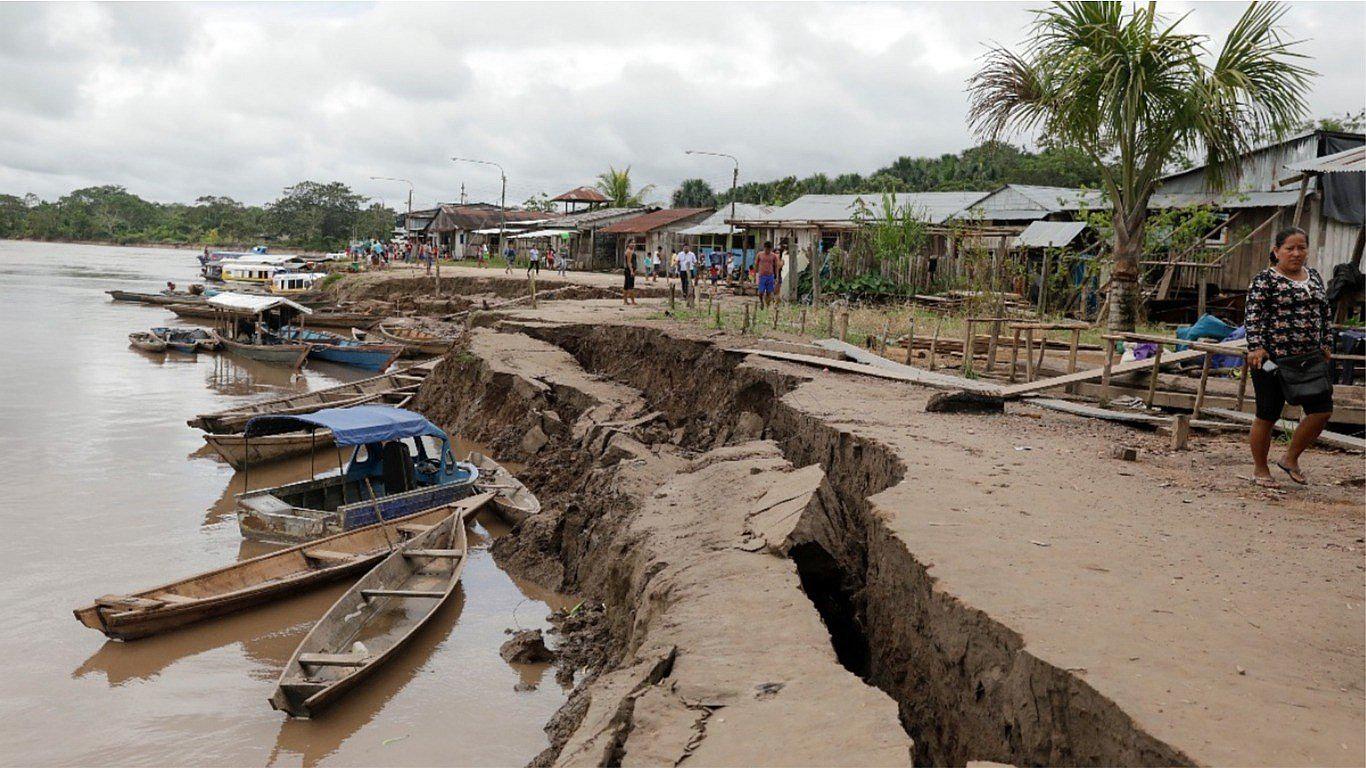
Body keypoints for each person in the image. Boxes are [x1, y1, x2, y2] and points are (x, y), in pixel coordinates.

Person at [1245, 226, 1334, 488]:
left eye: (1301, 248)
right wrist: (1256, 346)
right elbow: (1252, 315)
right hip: (1271, 360)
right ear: (1276, 251)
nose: (1296, 253)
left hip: (1309, 358)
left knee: (1321, 411)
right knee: (1267, 414)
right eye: (1290, 248)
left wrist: (1326, 342)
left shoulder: (1314, 277)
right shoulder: (1265, 280)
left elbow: (1324, 314)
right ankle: (1260, 469)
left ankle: (1290, 458)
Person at [755, 241, 782, 308]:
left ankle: (767, 305)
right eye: (766, 249)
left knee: (769, 292)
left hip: (770, 275)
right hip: (762, 275)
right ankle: (761, 302)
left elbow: (776, 266)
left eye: (769, 249)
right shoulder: (760, 254)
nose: (767, 251)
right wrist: (756, 274)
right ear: (764, 248)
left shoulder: (773, 256)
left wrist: (776, 276)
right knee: (760, 292)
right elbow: (756, 264)